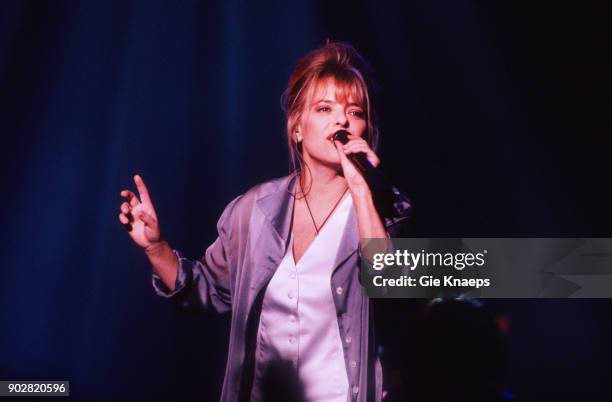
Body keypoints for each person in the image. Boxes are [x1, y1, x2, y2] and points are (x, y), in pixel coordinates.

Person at [118, 42, 410, 402]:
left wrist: (362, 189)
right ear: (297, 127)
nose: (342, 120)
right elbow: (206, 290)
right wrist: (156, 248)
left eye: (355, 111)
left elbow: (392, 287)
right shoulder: (253, 211)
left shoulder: (383, 207)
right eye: (324, 108)